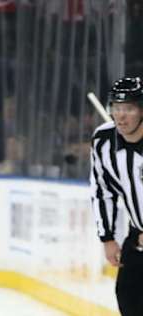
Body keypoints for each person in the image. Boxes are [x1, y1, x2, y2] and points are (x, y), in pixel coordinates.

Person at [90, 76, 143, 316]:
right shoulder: (103, 140)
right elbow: (102, 190)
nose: (120, 116)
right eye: (116, 108)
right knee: (129, 299)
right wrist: (107, 237)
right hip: (137, 238)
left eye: (129, 109)